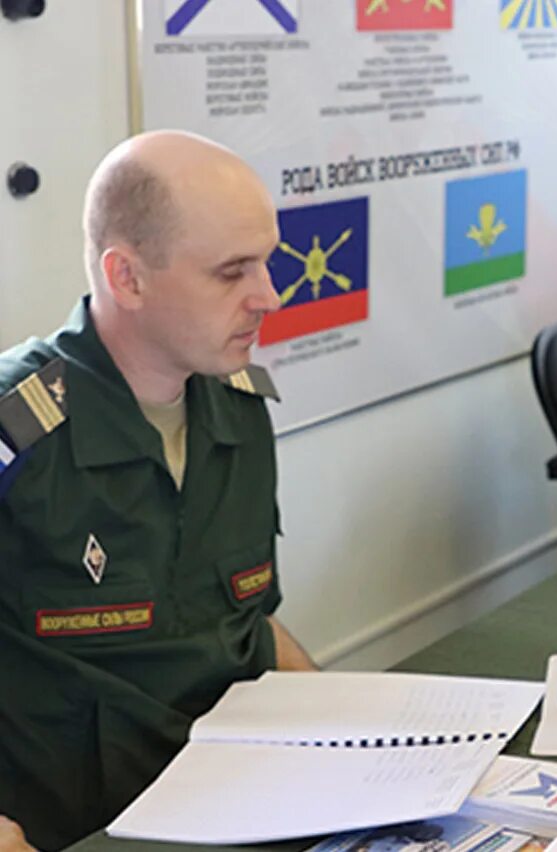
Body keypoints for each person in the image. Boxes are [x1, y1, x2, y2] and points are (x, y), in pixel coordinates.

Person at [0, 131, 316, 848]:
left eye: (267, 262)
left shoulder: (237, 406)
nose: (269, 295)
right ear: (128, 279)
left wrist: (359, 729)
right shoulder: (18, 425)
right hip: (81, 829)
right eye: (232, 272)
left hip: (240, 805)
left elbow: (248, 623)